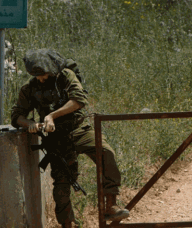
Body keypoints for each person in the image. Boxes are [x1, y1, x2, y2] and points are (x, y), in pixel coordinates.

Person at [10, 49, 129, 227]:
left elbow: (79, 100)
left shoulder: (66, 76)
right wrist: (30, 124)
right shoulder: (30, 88)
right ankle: (69, 224)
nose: (41, 78)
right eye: (37, 76)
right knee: (61, 185)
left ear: (51, 68)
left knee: (106, 153)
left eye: (43, 74)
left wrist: (51, 116)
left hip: (78, 128)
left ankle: (110, 205)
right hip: (56, 139)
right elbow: (17, 115)